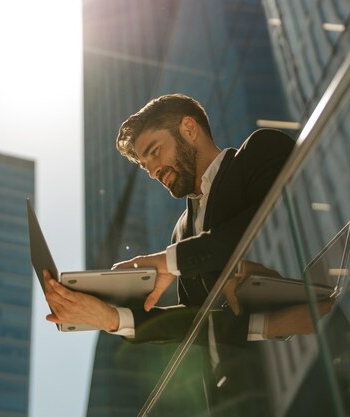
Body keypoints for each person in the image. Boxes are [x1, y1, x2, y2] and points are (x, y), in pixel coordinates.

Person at [43, 94, 332, 412]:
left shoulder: (259, 152)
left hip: (320, 375)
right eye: (144, 165)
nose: (153, 171)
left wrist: (170, 262)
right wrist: (111, 318)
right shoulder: (181, 232)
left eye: (154, 152)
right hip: (241, 402)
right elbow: (200, 324)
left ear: (189, 128)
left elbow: (268, 221)